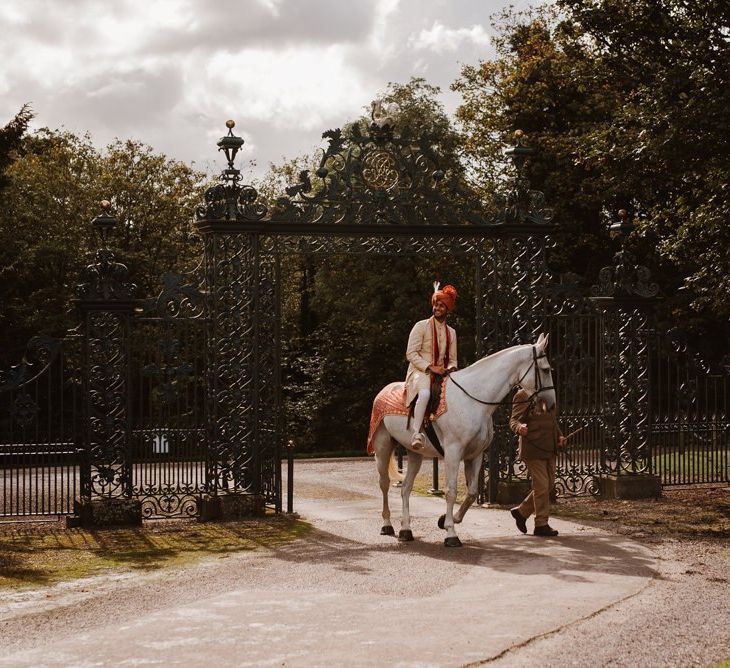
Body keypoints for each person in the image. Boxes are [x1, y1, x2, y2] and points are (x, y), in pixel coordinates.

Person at [404, 283, 458, 449]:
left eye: (441, 305)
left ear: (448, 309)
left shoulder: (452, 332)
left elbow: (453, 359)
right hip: (420, 371)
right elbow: (411, 354)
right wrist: (430, 367)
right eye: (436, 304)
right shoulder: (421, 326)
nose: (437, 308)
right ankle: (416, 433)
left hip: (442, 373)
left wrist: (451, 369)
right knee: (426, 393)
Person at [509, 389, 567, 536]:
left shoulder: (549, 394)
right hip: (532, 446)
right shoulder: (523, 395)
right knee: (541, 484)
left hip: (550, 446)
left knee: (549, 484)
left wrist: (560, 436)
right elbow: (514, 420)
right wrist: (519, 428)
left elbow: (552, 419)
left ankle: (522, 512)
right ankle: (541, 524)